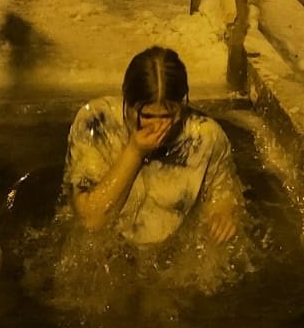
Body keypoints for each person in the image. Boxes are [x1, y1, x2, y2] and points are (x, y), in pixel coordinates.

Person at [65, 47, 241, 246]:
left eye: (167, 116)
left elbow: (222, 194)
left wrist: (221, 216)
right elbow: (91, 221)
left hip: (169, 251)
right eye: (147, 116)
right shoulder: (97, 123)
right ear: (127, 103)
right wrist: (134, 151)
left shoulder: (205, 137)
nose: (158, 127)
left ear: (182, 105)